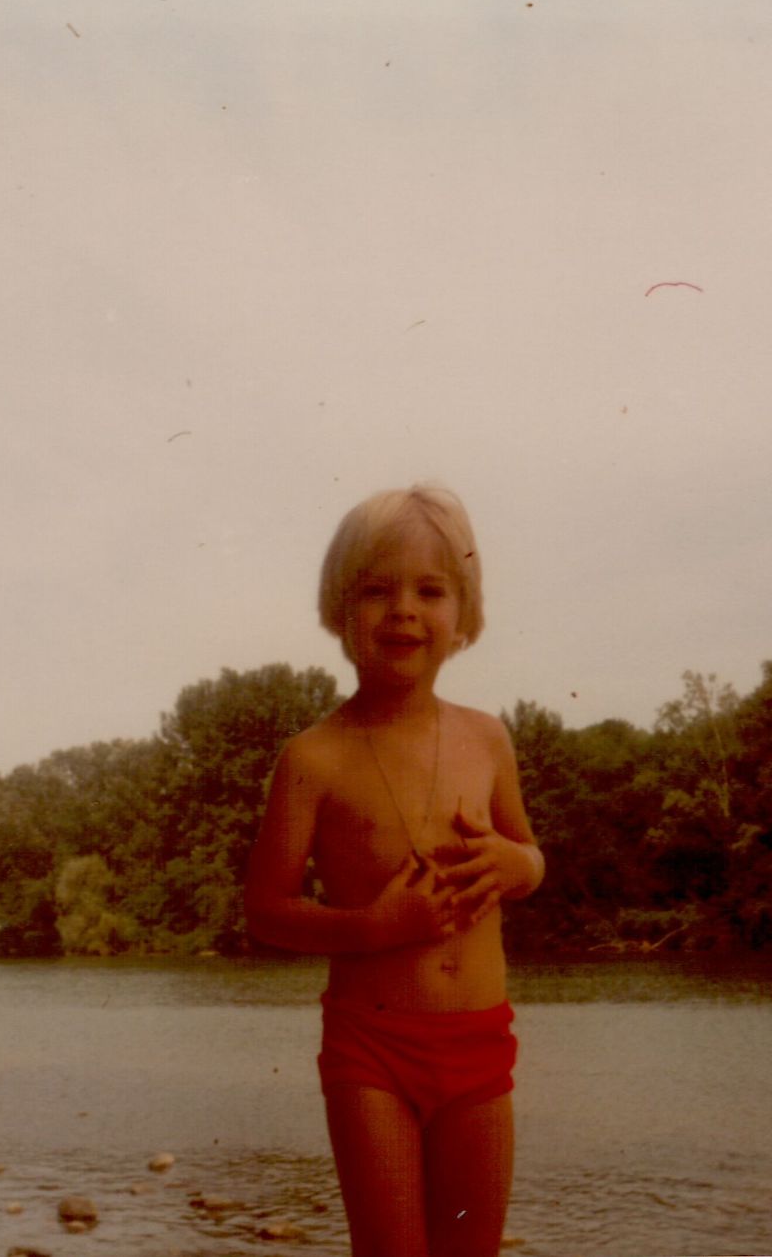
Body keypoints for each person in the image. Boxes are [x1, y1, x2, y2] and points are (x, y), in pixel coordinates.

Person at [245, 486, 544, 1257]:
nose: (402, 610)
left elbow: (531, 857)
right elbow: (267, 908)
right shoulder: (312, 757)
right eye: (375, 590)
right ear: (340, 611)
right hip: (371, 1050)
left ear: (463, 614)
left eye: (429, 590)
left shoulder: (486, 739)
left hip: (479, 1042)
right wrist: (371, 927)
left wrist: (518, 864)